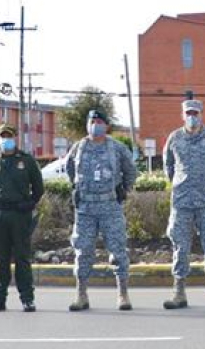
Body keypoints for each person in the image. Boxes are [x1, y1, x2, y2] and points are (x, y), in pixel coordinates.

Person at [162, 99, 205, 310]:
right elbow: (169, 167)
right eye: (188, 113)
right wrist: (181, 183)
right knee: (180, 245)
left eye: (196, 113)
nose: (192, 116)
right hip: (182, 201)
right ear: (183, 115)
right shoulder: (174, 138)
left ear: (201, 114)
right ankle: (179, 292)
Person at [66, 109, 138, 311]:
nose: (95, 125)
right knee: (83, 250)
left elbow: (131, 170)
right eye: (92, 121)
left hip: (110, 206)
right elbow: (70, 170)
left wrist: (124, 189)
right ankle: (81, 294)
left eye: (99, 121)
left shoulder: (117, 148)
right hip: (86, 208)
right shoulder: (78, 148)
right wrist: (77, 188)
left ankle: (123, 294)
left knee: (118, 250)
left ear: (106, 125)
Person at [0, 123, 44, 313]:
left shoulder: (26, 160)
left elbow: (39, 188)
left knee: (22, 258)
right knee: (1, 259)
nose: (5, 139)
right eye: (3, 136)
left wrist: (30, 203)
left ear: (15, 137)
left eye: (9, 135)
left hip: (19, 214)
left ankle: (27, 299)